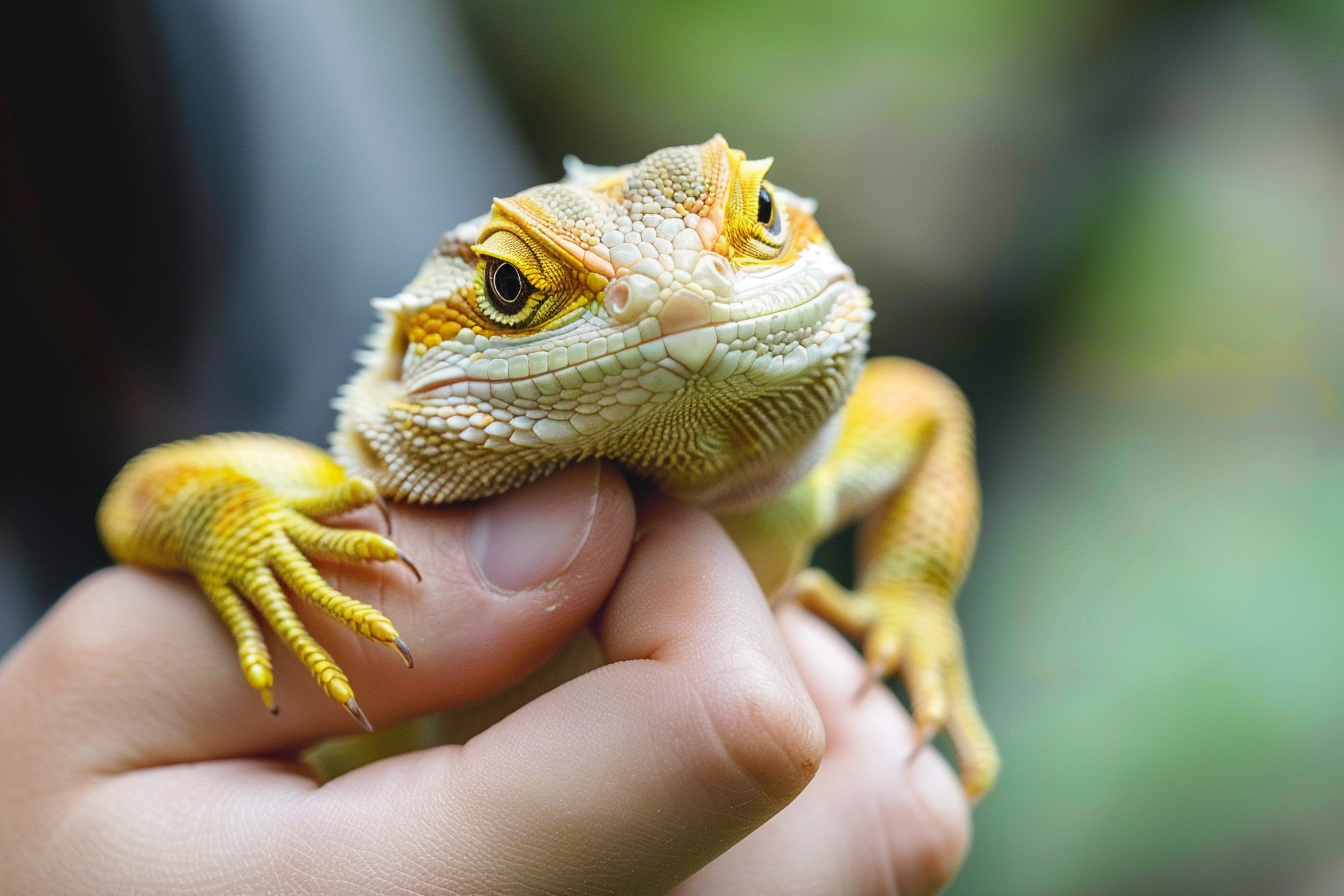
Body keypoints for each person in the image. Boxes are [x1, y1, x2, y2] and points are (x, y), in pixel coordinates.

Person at [0, 461, 969, 894]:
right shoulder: (339, 488)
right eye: (517, 284)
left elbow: (920, 406)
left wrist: (914, 585)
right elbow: (150, 490)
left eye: (754, 227)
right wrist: (230, 525)